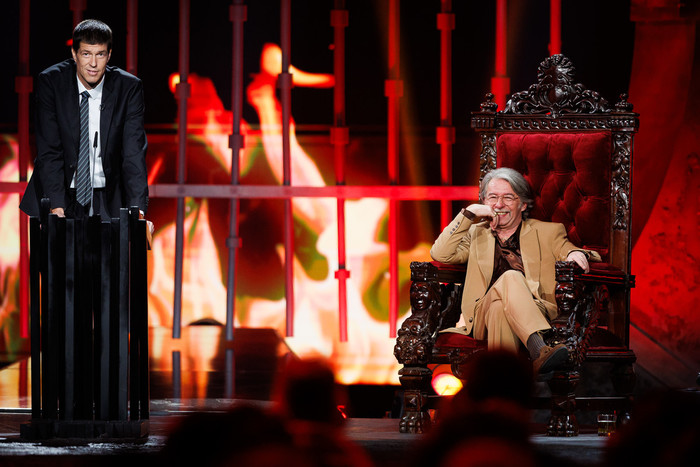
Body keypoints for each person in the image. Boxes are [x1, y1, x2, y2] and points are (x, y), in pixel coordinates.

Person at [430, 167, 600, 374]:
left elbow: (568, 249)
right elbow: (440, 254)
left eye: (508, 197)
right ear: (484, 201)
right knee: (509, 278)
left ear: (523, 204)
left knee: (499, 309)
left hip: (535, 310)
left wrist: (575, 253)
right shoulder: (475, 234)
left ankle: (503, 389)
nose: (499, 204)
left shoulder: (547, 232)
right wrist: (469, 213)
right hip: (481, 317)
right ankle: (538, 348)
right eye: (492, 197)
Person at [20, 19, 149, 226]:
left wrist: (138, 212)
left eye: (100, 54)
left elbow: (134, 153)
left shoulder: (128, 88)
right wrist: (56, 206)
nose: (93, 64)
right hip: (61, 193)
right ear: (74, 54)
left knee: (116, 245)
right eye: (86, 54)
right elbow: (49, 150)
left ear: (109, 55)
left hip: (109, 198)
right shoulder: (52, 82)